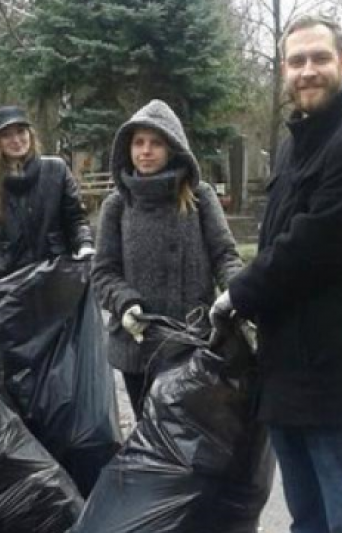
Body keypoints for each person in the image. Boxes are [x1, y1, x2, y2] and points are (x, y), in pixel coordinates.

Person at [210, 15, 342, 533]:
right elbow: (278, 240)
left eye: (319, 58)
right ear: (284, 73)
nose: (307, 71)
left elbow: (312, 247)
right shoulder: (296, 145)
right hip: (288, 373)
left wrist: (237, 294)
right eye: (296, 62)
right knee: (310, 524)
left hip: (339, 377)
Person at [91, 99, 242, 417]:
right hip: (138, 345)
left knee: (191, 439)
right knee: (152, 441)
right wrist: (124, 302)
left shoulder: (200, 197)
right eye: (139, 143)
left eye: (156, 143)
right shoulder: (117, 205)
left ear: (173, 148)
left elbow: (224, 255)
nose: (145, 151)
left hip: (192, 343)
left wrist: (237, 293)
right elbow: (103, 272)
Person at [0, 106, 95, 282]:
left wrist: (84, 245)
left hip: (56, 277)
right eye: (6, 135)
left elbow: (76, 219)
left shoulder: (56, 170)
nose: (16, 140)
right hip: (10, 283)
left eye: (21, 131)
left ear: (30, 134)